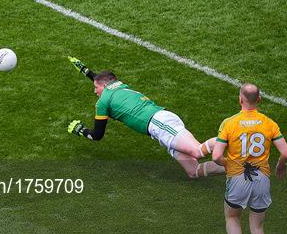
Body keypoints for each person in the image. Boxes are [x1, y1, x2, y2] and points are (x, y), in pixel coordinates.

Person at [66, 57, 225, 179]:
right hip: (160, 124)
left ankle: (235, 138)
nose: (95, 92)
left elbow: (97, 135)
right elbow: (101, 80)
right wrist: (86, 71)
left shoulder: (102, 102)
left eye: (95, 88)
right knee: (193, 172)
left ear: (104, 86)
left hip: (158, 123)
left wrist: (81, 131)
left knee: (197, 151)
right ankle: (235, 168)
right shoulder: (119, 85)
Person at [212, 83, 287, 234]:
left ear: (240, 99)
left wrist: (229, 164)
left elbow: (216, 156)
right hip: (261, 180)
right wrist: (280, 165)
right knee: (257, 228)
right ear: (259, 100)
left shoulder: (229, 123)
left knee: (231, 217)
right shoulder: (269, 123)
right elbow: (286, 153)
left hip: (238, 179)